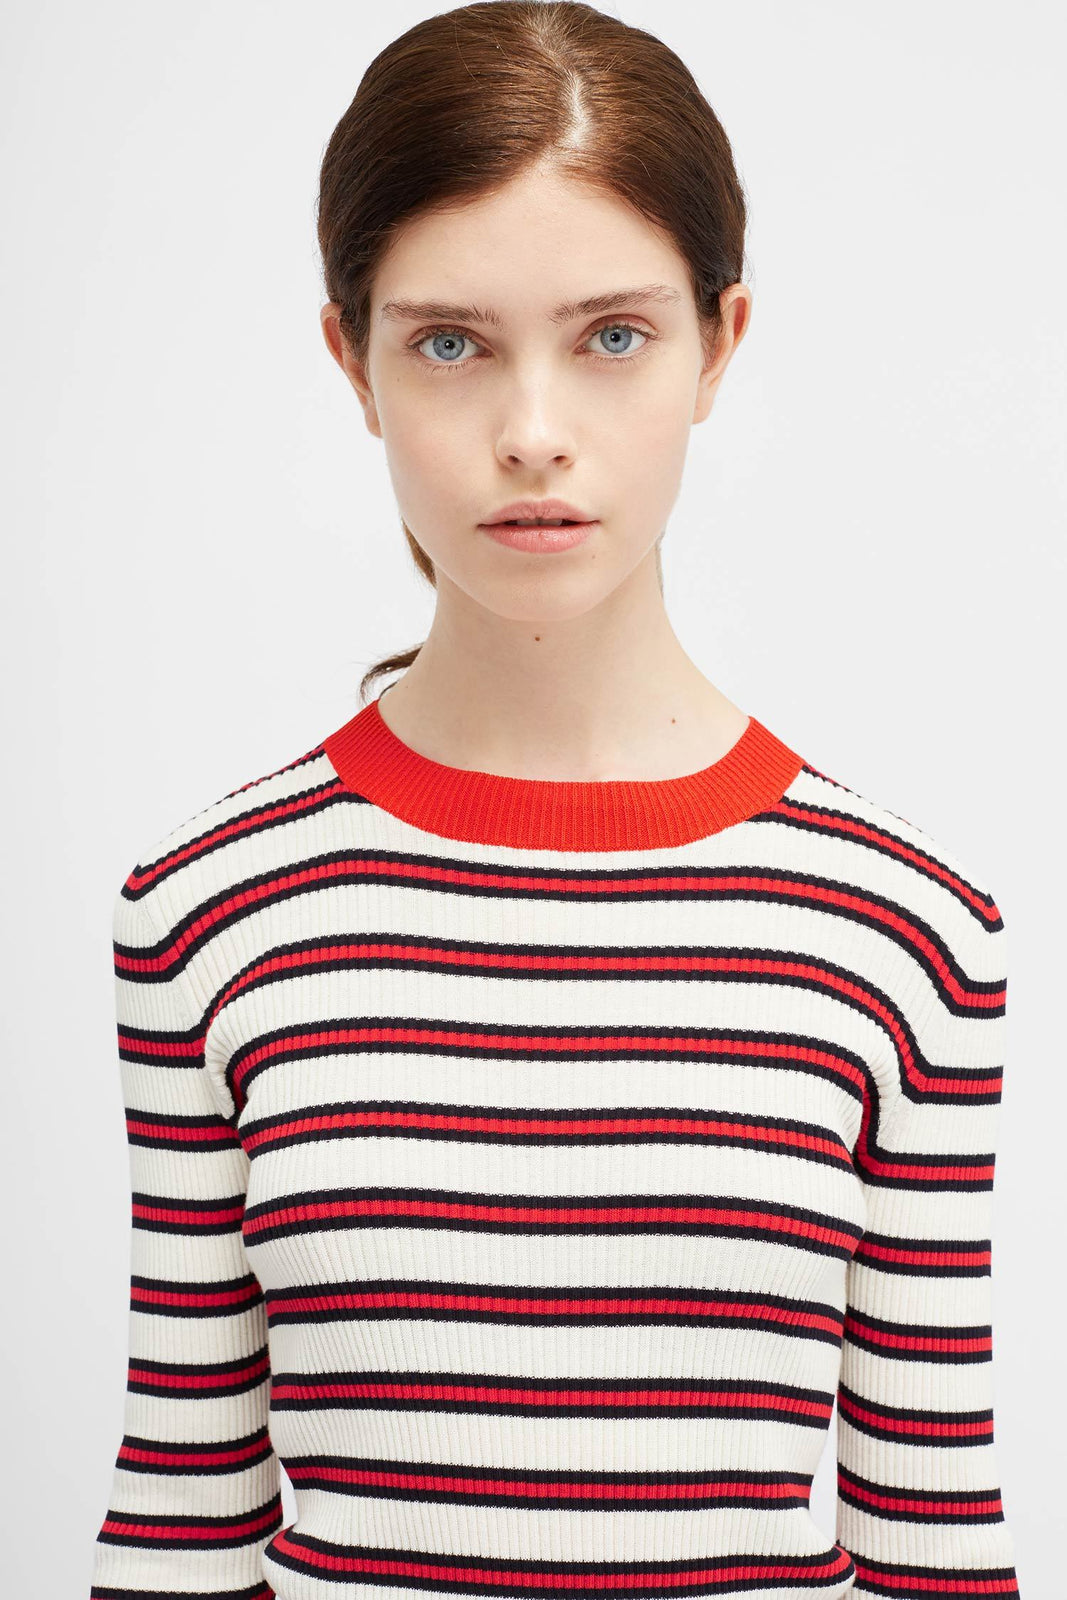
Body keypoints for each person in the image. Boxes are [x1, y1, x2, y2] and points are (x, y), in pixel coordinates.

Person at [88, 4, 1021, 1598]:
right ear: (353, 359)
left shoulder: (910, 931)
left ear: (721, 342)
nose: (532, 434)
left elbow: (933, 1539)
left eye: (613, 337)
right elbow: (182, 1510)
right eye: (449, 343)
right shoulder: (204, 916)